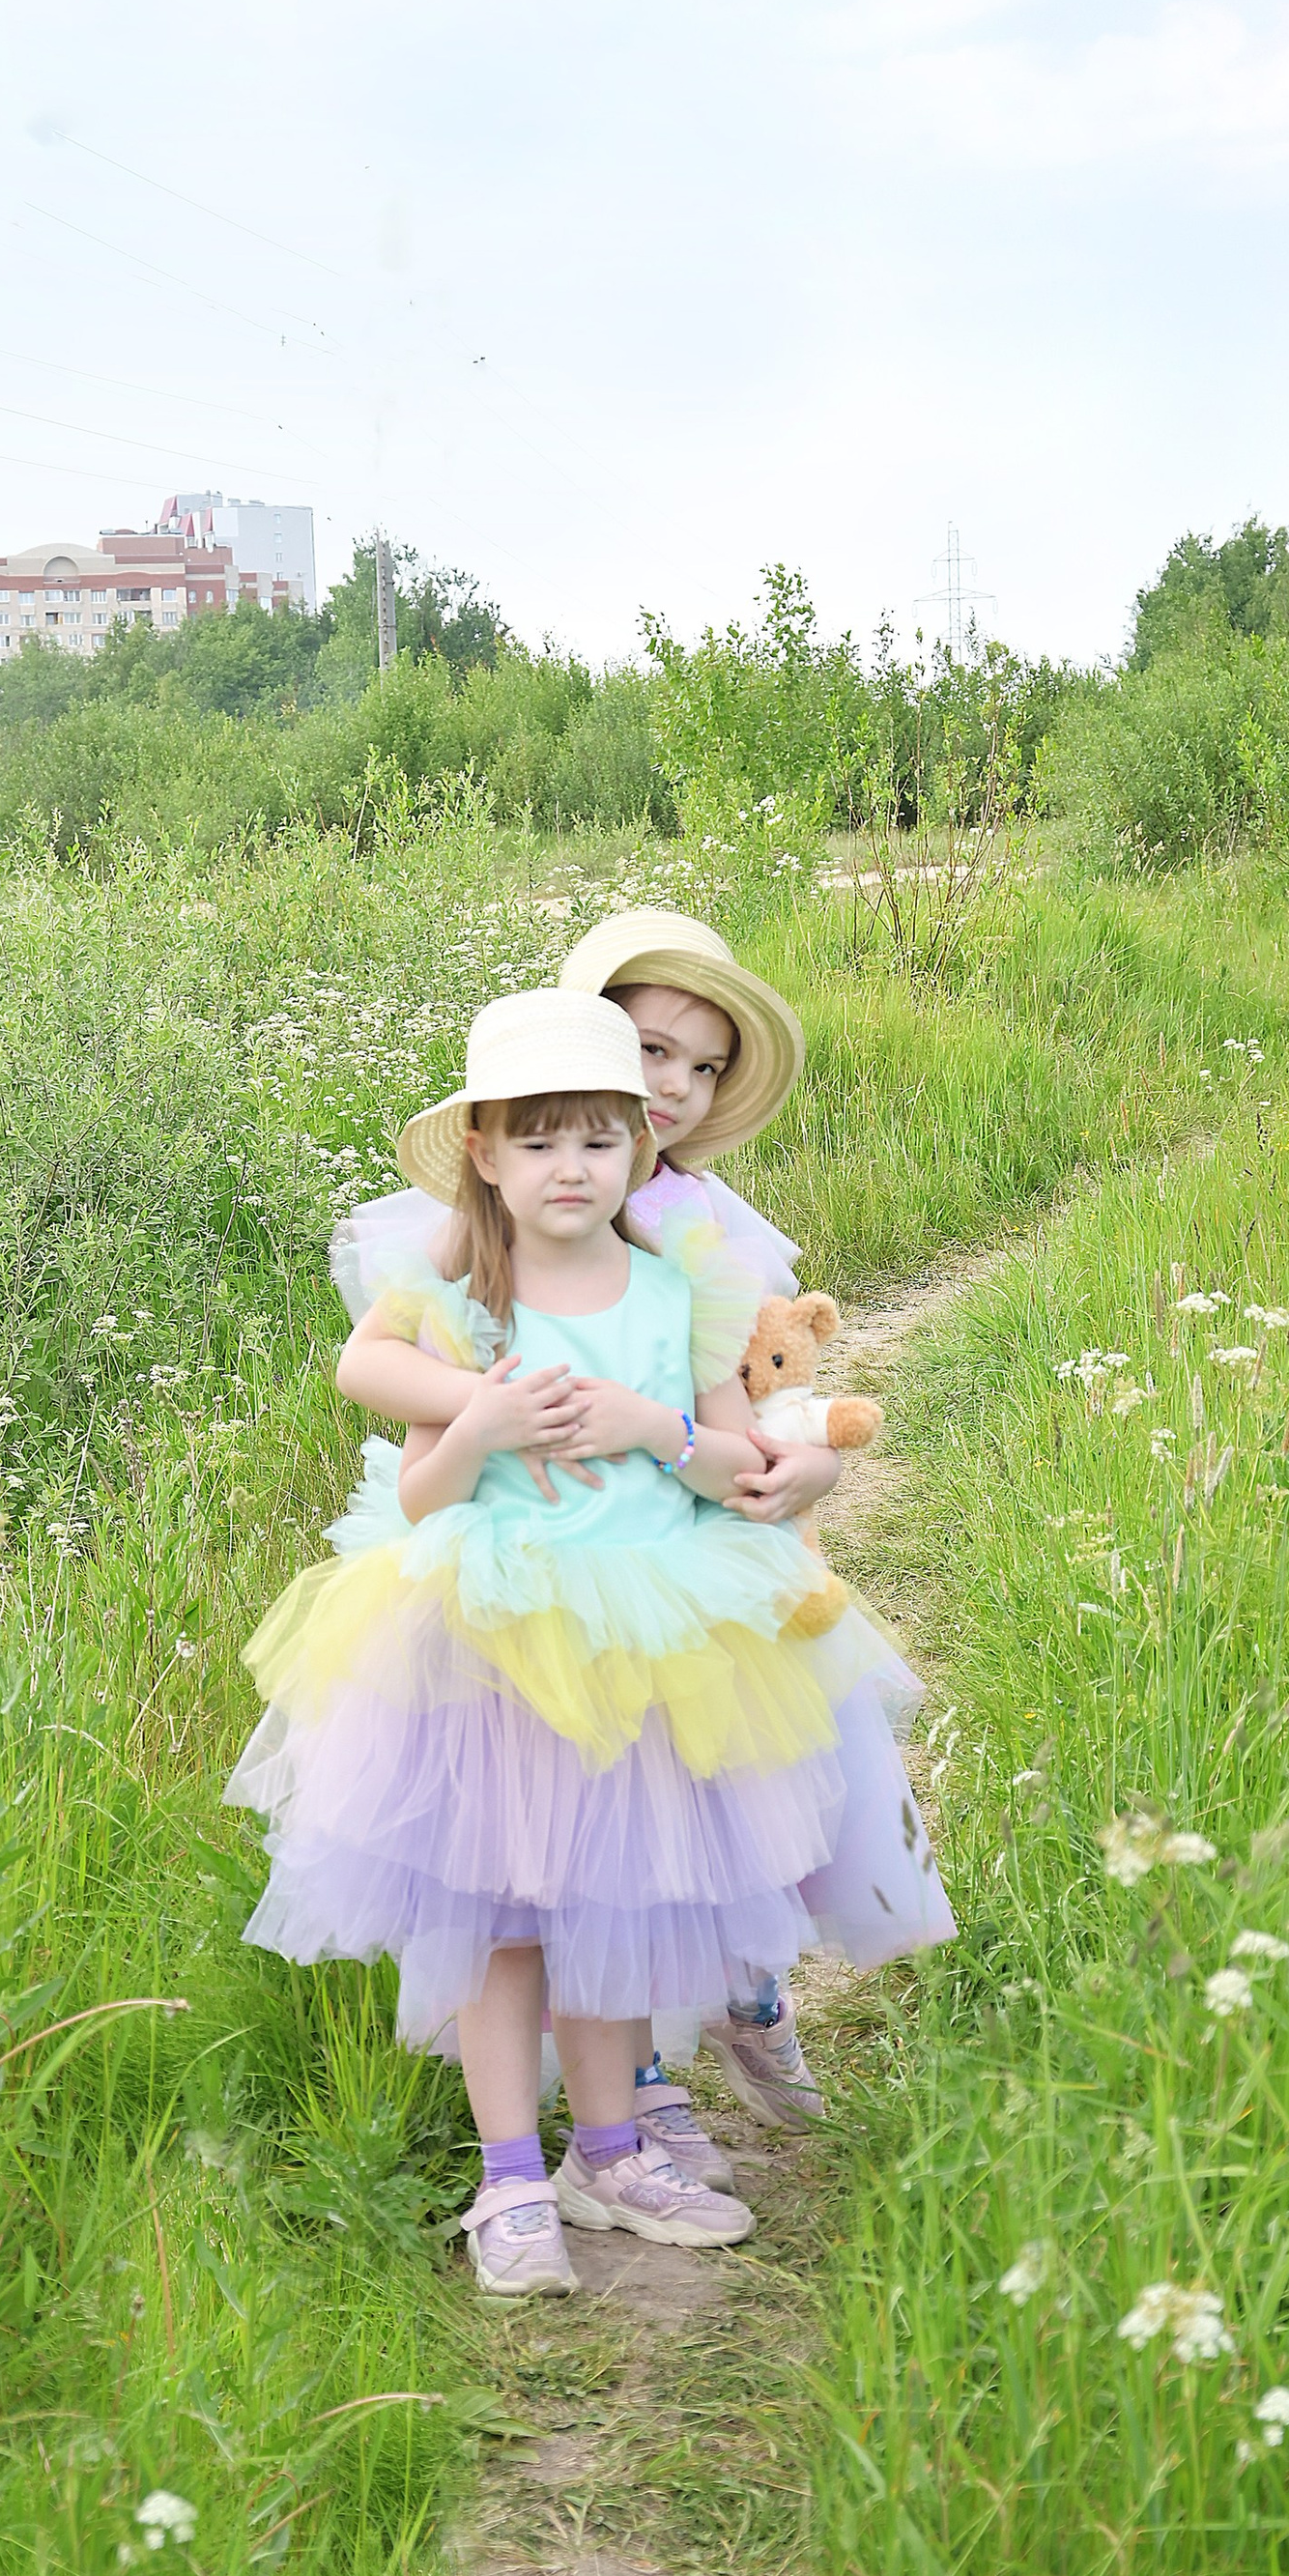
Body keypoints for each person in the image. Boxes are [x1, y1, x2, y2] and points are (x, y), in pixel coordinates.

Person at [228, 989, 949, 2300]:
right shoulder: (456, 1293)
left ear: (637, 1153)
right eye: (541, 1141)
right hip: (489, 1638)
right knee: (502, 1923)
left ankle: (609, 2153)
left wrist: (649, 1427)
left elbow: (735, 1455)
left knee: (614, 1897)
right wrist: (483, 1422)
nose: (573, 1168)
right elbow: (402, 1462)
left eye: (600, 1142)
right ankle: (511, 2173)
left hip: (646, 1628)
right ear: (486, 1158)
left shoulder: (676, 1291)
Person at [332, 908, 913, 2171]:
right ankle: (628, 2095)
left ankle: (738, 1997)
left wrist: (801, 1459)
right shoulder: (486, 1209)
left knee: (720, 1781)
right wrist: (493, 1414)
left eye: (703, 1068)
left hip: (681, 1539)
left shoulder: (704, 1231)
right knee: (569, 1817)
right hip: (532, 1542)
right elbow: (397, 1356)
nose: (676, 1088)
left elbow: (755, 1391)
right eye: (651, 1050)